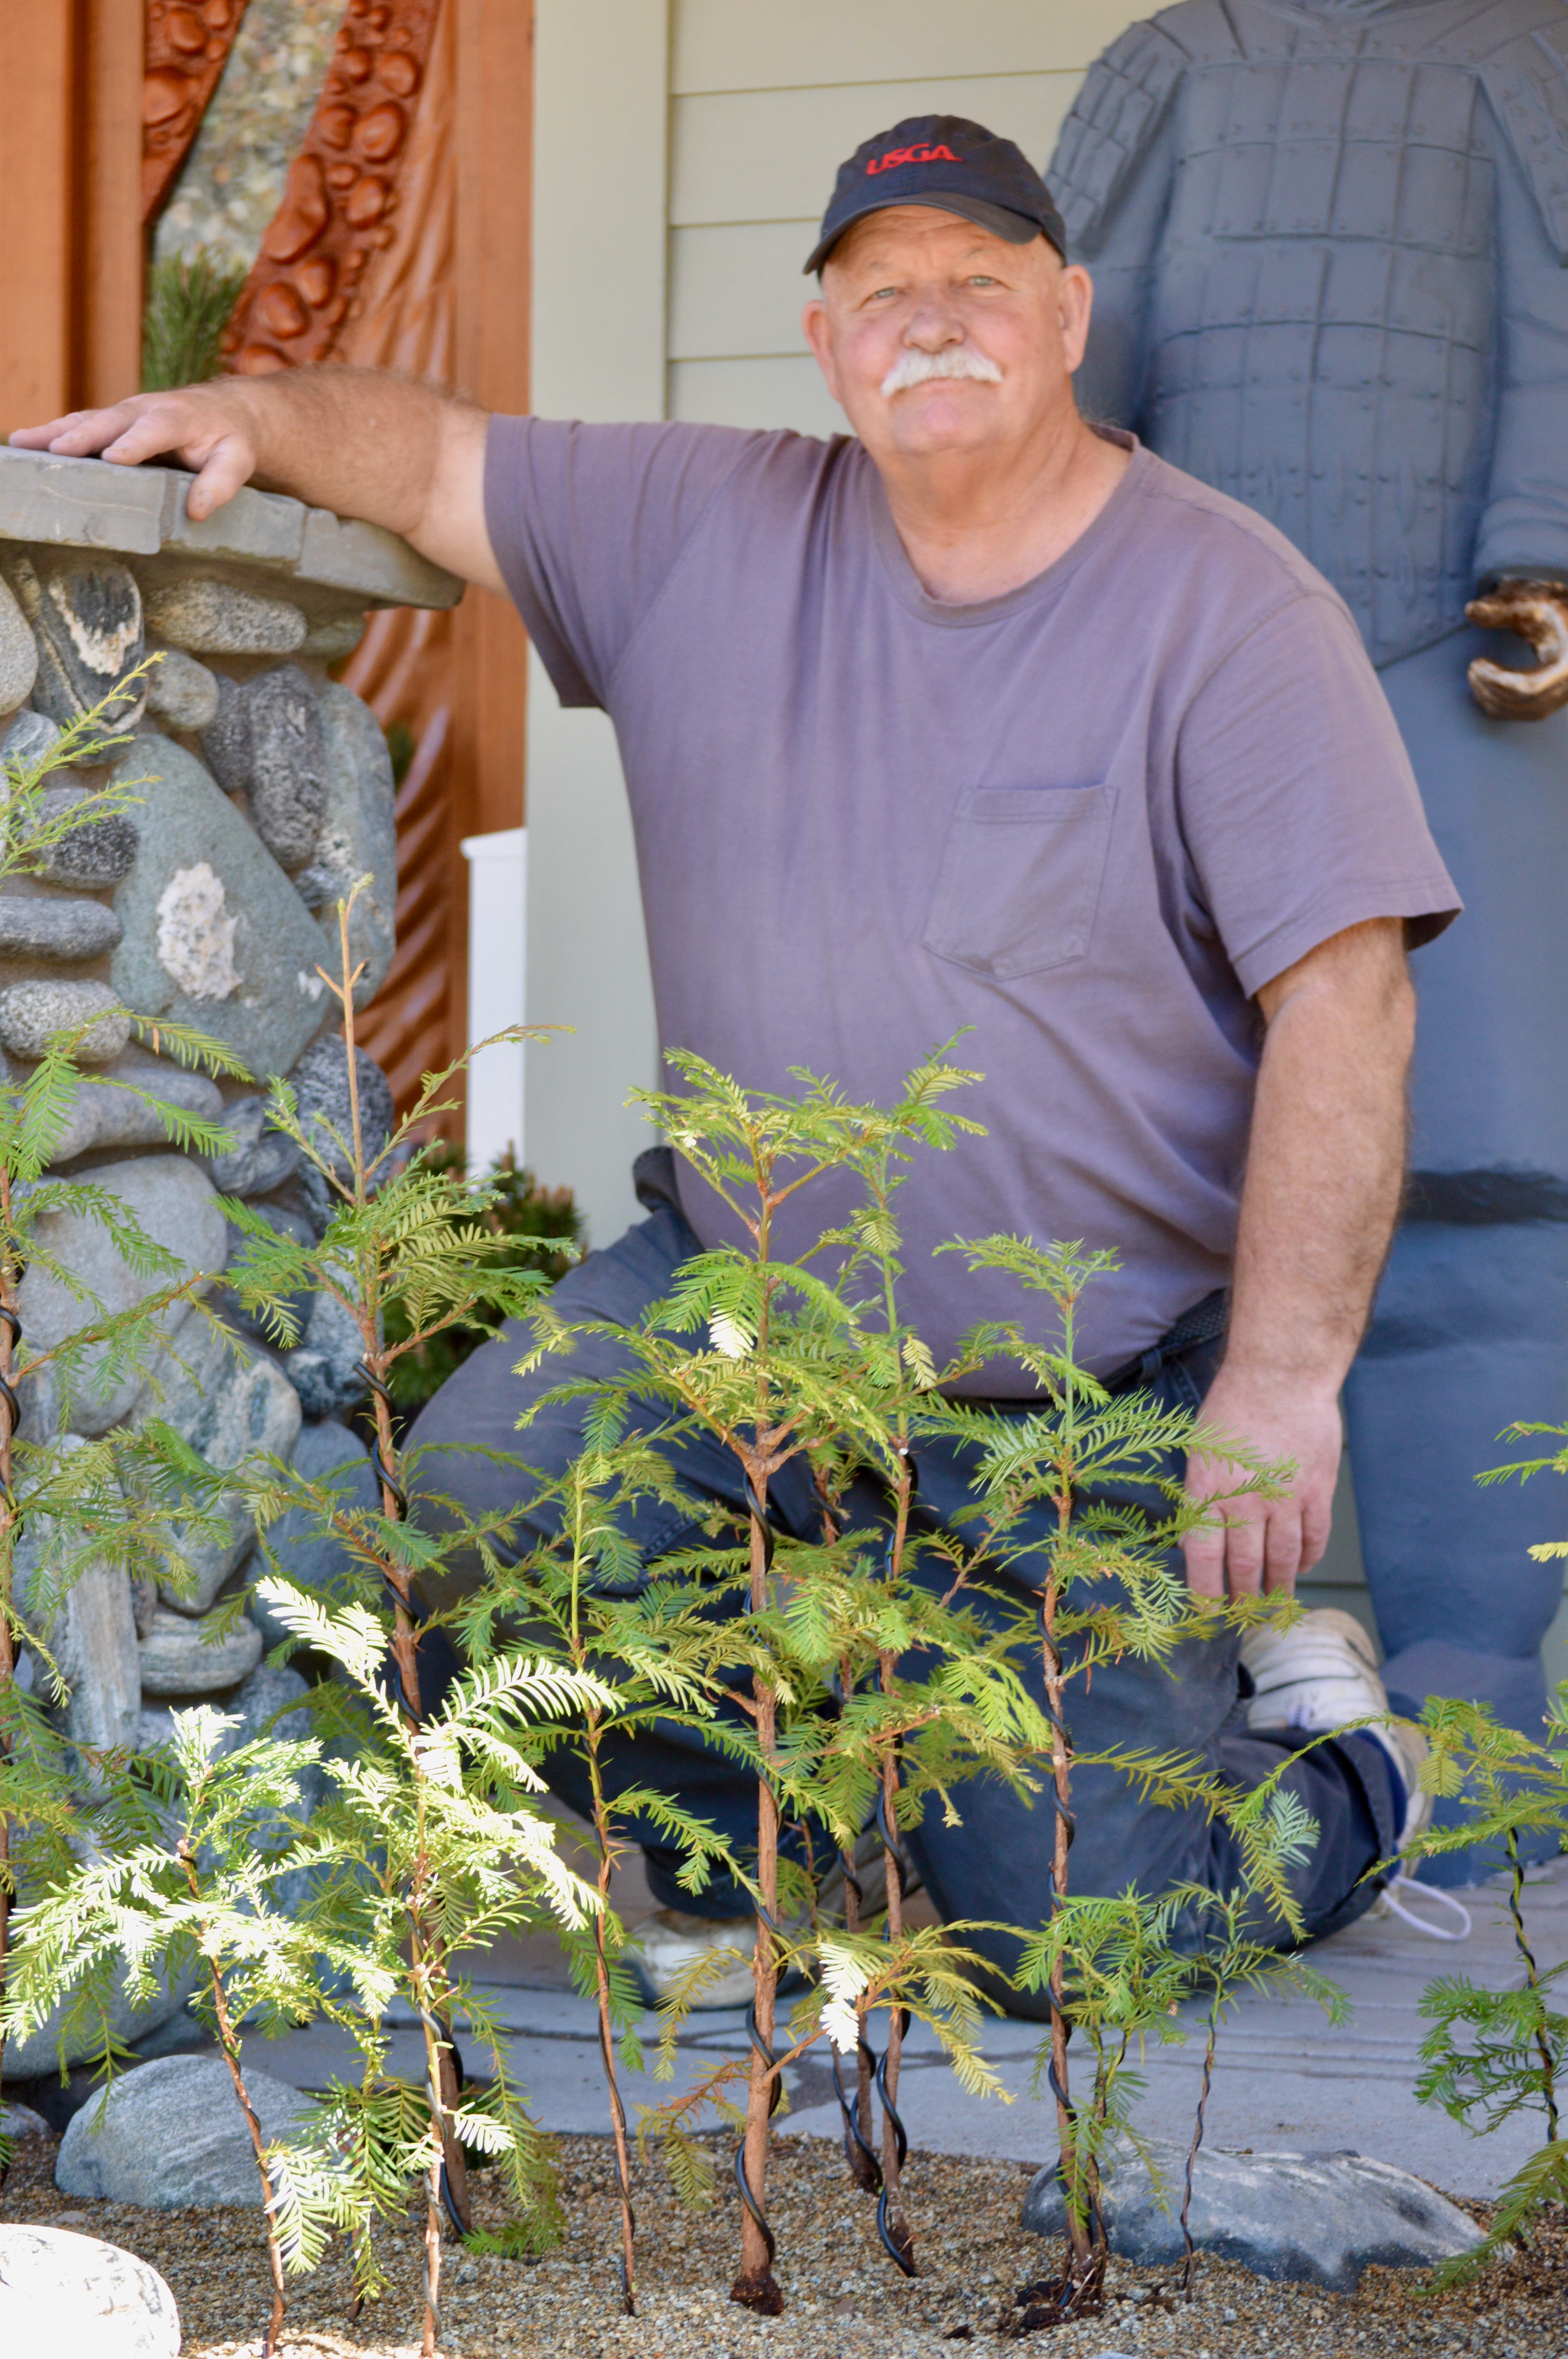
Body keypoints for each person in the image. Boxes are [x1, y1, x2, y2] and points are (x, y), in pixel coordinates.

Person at [15, 117, 1463, 2008]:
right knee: (461, 1520)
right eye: (884, 291)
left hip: (1082, 1391)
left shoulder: (1230, 609)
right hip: (735, 1300)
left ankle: (1342, 1768)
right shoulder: (707, 525)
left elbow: (1348, 1002)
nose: (930, 323)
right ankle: (737, 1860)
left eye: (977, 282)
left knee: (1062, 1941)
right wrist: (246, 415)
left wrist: (1279, 1381)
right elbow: (433, 457)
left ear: (1066, 312)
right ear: (823, 340)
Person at [1050, 0, 1568, 1881]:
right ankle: (1127, 1692)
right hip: (1178, 686)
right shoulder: (1168, 66)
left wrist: (1541, 544)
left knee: (1476, 1201)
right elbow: (1077, 337)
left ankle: (1469, 1693)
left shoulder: (1521, 58)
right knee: (1107, 1178)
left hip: (1457, 670)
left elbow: (1555, 308)